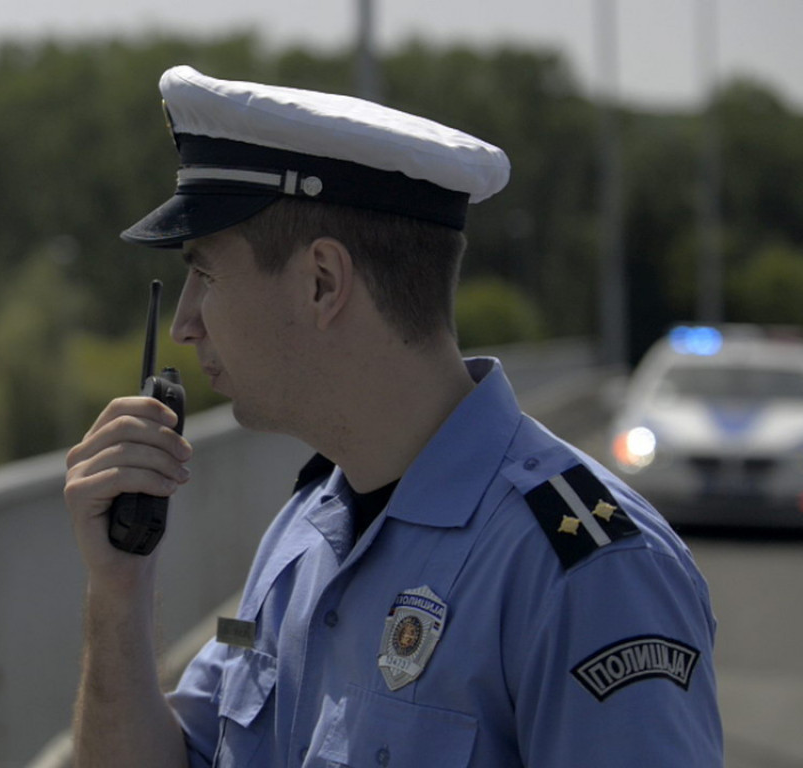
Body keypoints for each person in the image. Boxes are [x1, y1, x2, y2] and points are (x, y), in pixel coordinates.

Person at [63, 66, 722, 767]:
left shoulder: (587, 573)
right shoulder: (302, 539)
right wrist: (118, 591)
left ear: (322, 283)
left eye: (208, 273)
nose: (186, 325)